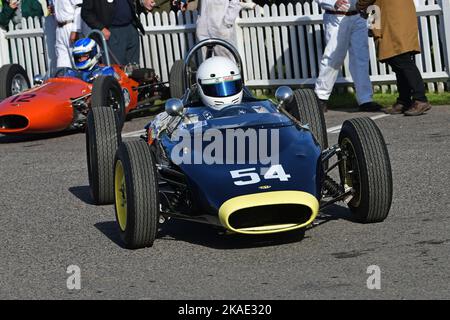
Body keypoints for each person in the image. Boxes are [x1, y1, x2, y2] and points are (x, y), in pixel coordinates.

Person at [357, 0, 431, 116]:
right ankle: (404, 100)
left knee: (401, 59)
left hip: (391, 15)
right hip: (388, 12)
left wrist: (360, 5)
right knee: (397, 60)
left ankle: (420, 99)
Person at [314, 0, 381, 113]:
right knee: (333, 57)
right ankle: (320, 97)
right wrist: (332, 3)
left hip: (359, 16)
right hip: (335, 17)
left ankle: (365, 99)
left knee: (361, 58)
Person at [81, 0, 155, 66]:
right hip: (112, 32)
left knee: (134, 67)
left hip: (131, 28)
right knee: (116, 70)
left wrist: (143, 2)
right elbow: (86, 13)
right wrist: (101, 28)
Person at [51, 0, 89, 69]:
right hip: (59, 28)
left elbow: (79, 7)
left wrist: (75, 30)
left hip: (70, 26)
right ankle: (64, 77)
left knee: (76, 59)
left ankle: (80, 78)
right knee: (61, 60)